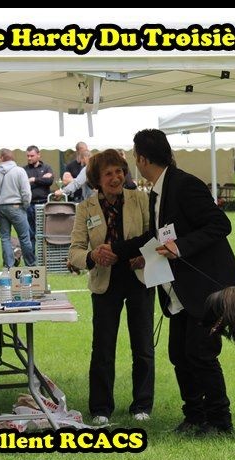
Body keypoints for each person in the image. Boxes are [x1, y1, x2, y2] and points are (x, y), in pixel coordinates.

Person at [105, 128, 235, 435]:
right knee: (179, 354)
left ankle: (220, 420)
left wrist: (180, 246)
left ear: (143, 159)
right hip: (179, 290)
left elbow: (220, 224)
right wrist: (121, 250)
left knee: (201, 354)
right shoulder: (158, 191)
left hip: (205, 289)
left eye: (135, 156)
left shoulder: (184, 185)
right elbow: (158, 235)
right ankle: (194, 415)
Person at [68, 149, 155, 426]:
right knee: (103, 348)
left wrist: (145, 256)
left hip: (138, 276)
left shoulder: (141, 199)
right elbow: (75, 251)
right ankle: (100, 408)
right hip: (104, 281)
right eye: (108, 173)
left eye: (119, 171)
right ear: (97, 179)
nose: (116, 177)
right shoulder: (86, 208)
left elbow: (154, 235)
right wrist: (93, 256)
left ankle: (142, 404)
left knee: (143, 345)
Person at [0, 148, 36, 268]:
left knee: (5, 238)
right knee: (24, 237)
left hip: (0, 208)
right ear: (12, 158)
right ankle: (30, 265)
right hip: (16, 206)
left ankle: (9, 266)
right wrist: (26, 205)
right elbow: (26, 192)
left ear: (1, 158)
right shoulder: (19, 171)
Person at [23, 145, 54, 246]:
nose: (29, 158)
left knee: (45, 233)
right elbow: (24, 185)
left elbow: (49, 181)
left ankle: (44, 255)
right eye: (28, 156)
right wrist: (42, 179)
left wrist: (34, 179)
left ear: (38, 155)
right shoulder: (24, 170)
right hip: (30, 205)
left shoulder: (46, 168)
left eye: (31, 156)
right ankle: (31, 256)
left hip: (44, 204)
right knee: (30, 233)